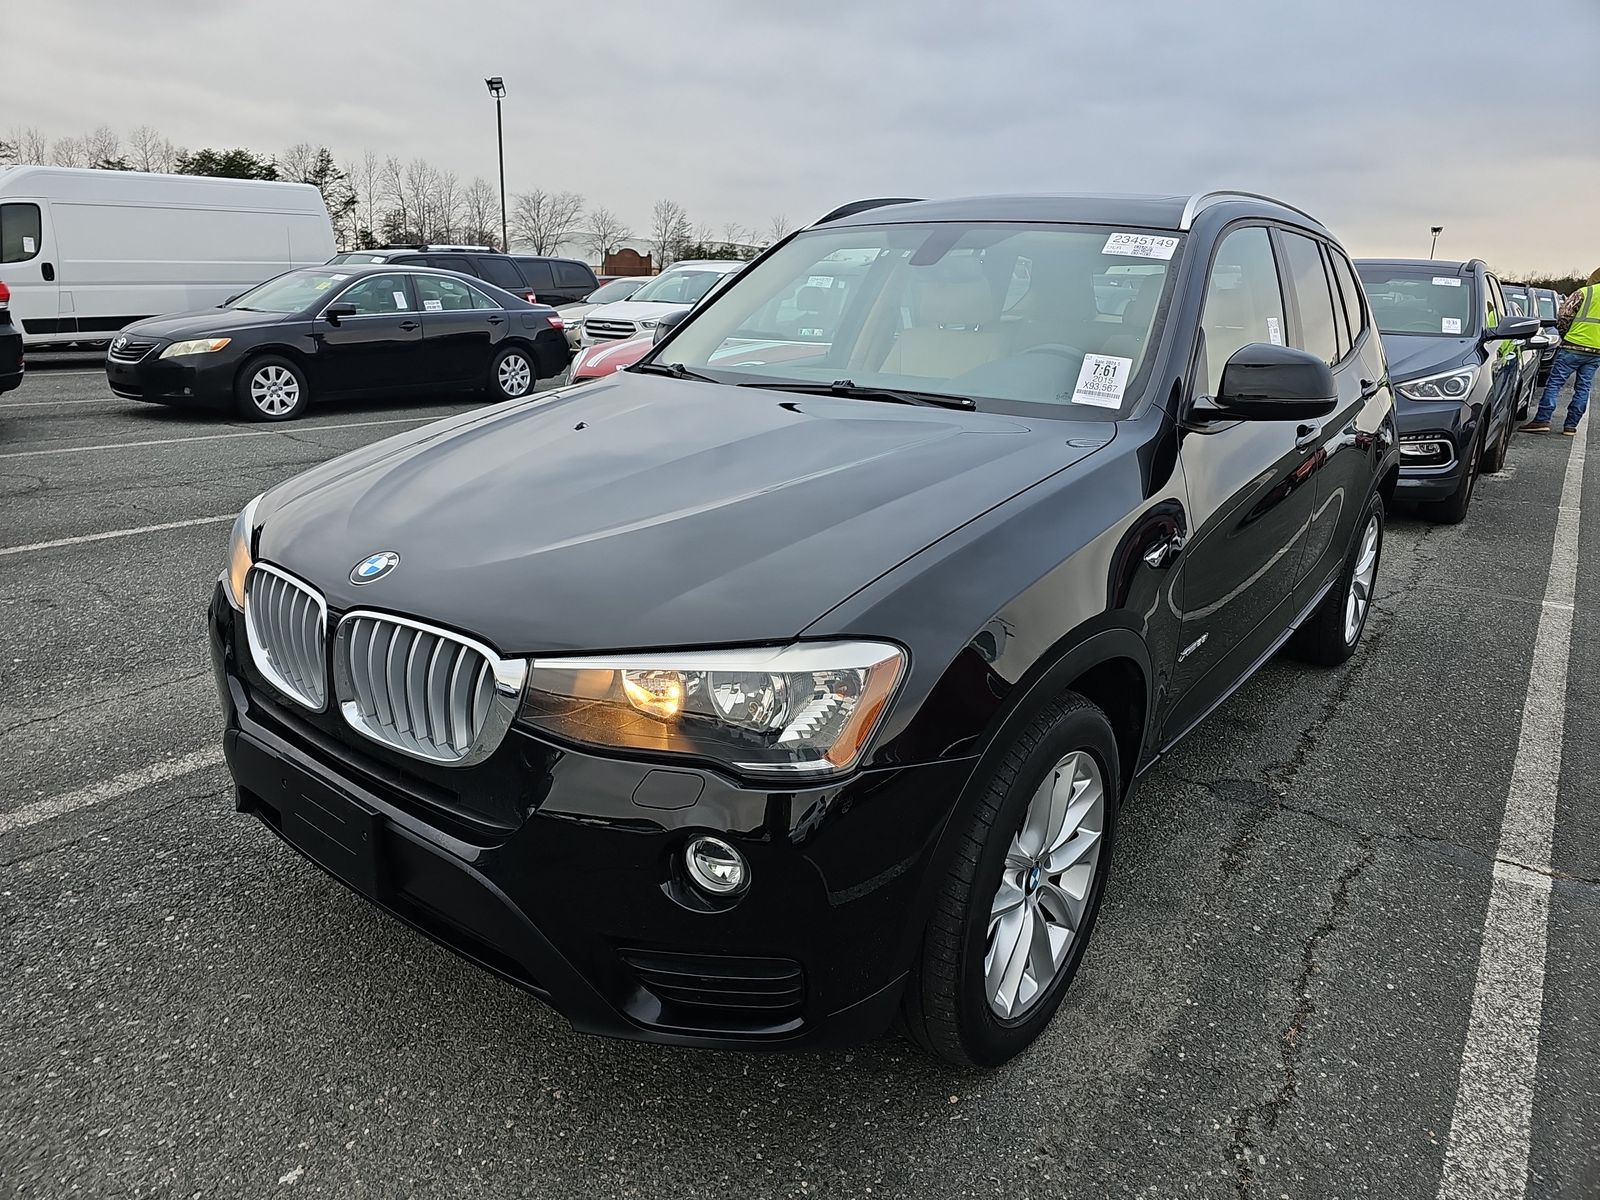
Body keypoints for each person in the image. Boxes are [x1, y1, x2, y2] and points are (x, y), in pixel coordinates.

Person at [1522, 266, 1600, 435]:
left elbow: (1564, 315)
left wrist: (1564, 333)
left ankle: (1542, 420)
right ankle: (1571, 426)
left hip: (1573, 345)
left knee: (1555, 383)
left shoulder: (1585, 292)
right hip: (1596, 351)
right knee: (1583, 387)